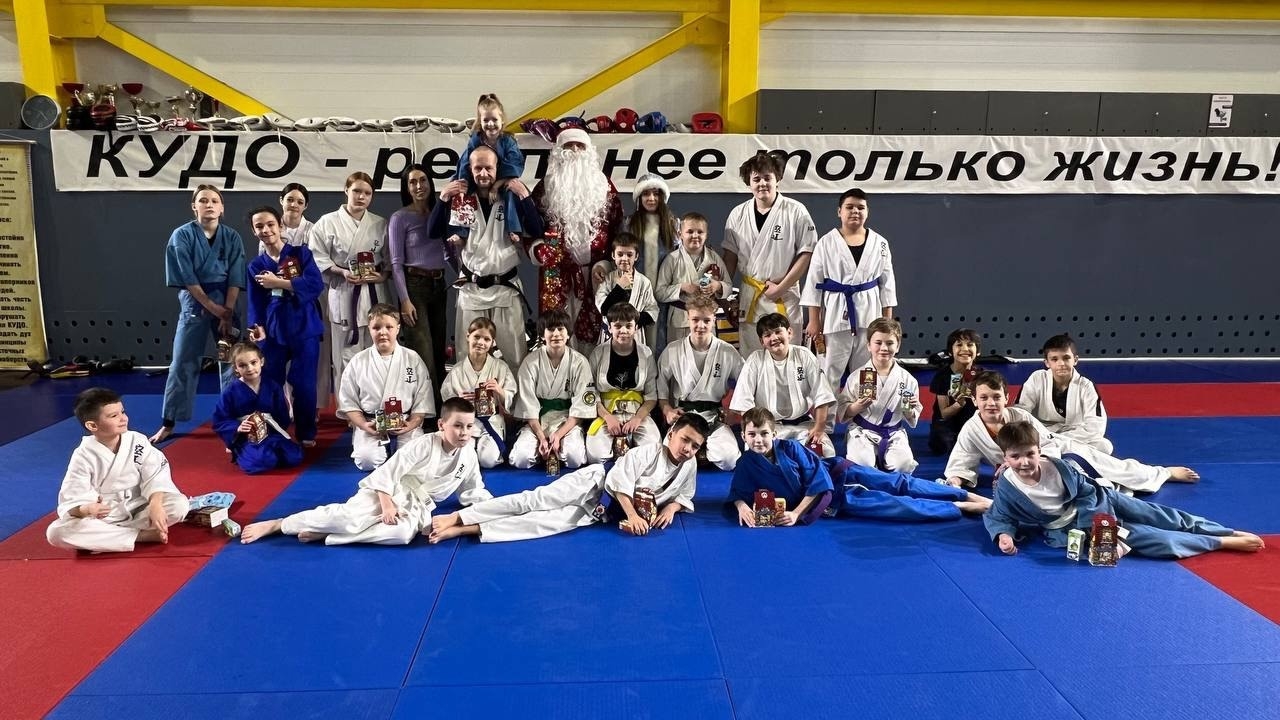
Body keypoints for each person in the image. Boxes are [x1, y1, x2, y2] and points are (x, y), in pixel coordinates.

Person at [987, 421, 1263, 558]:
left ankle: (1222, 531)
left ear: (1039, 451)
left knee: (1159, 515)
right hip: (1069, 528)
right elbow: (999, 515)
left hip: (1101, 502)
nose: (1024, 462)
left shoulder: (1059, 467)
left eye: (1030, 454)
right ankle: (1219, 543)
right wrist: (1004, 536)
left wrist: (1095, 522)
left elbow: (1087, 493)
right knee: (1155, 540)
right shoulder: (1007, 487)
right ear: (1005, 459)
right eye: (1015, 457)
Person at [240, 397, 492, 546]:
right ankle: (279, 524)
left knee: (402, 534)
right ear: (441, 424)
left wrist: (495, 509)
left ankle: (331, 536)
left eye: (469, 426)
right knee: (349, 517)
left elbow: (473, 491)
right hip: (390, 490)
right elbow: (388, 472)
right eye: (457, 426)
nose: (464, 432)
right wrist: (387, 505)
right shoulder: (424, 444)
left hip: (418, 505)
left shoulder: (468, 455)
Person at [428, 413, 709, 543]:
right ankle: (459, 516)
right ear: (671, 433)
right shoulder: (646, 452)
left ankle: (466, 530)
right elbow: (618, 484)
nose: (688, 449)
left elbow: (684, 494)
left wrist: (671, 508)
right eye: (685, 440)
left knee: (544, 524)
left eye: (695, 446)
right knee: (534, 501)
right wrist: (634, 516)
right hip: (595, 485)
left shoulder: (689, 465)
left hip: (602, 513)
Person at [730, 407, 989, 527]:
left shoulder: (791, 448)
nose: (758, 440)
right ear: (743, 436)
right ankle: (958, 507)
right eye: (752, 434)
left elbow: (818, 481)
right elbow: (738, 493)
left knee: (897, 482)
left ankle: (963, 494)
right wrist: (743, 508)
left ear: (774, 434)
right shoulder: (745, 464)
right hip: (835, 500)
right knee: (894, 506)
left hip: (837, 473)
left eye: (764, 434)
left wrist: (796, 514)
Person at [943, 371, 1199, 492]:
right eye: (984, 398)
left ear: (1006, 398)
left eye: (996, 397)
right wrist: (954, 481)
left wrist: (1022, 463)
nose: (991, 403)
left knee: (1111, 466)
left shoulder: (1020, 416)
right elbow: (961, 462)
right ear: (974, 400)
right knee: (1088, 486)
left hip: (1059, 455)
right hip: (1025, 473)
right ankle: (1113, 487)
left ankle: (1163, 472)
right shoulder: (971, 429)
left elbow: (1048, 446)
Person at [150, 184, 246, 444]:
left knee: (232, 361)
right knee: (183, 360)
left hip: (228, 300)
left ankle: (235, 416)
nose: (209, 204)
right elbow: (187, 277)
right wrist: (213, 308)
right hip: (195, 302)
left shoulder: (232, 237)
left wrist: (227, 312)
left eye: (214, 200)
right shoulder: (181, 235)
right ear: (194, 206)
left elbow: (236, 276)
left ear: (222, 207)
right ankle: (169, 422)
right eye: (203, 200)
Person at [429, 144, 542, 366]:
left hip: (505, 287)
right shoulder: (461, 198)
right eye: (477, 168)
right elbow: (432, 232)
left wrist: (525, 196)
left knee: (515, 357)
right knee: (468, 357)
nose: (483, 173)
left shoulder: (510, 197)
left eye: (488, 168)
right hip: (472, 288)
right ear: (469, 169)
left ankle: (514, 391)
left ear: (497, 168)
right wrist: (443, 197)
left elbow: (537, 230)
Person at [48, 388, 191, 553]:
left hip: (141, 507)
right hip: (106, 516)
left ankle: (110, 538)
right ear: (92, 425)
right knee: (56, 533)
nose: (123, 419)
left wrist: (156, 504)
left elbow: (157, 475)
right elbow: (71, 501)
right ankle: (141, 536)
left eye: (122, 412)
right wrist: (88, 509)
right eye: (113, 416)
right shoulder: (83, 456)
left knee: (179, 505)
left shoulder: (137, 441)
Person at [530, 128, 624, 351]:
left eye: (579, 146)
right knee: (557, 331)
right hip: (556, 273)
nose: (574, 150)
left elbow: (617, 230)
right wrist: (538, 248)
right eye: (568, 146)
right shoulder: (545, 187)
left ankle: (590, 372)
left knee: (595, 333)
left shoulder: (604, 187)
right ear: (558, 152)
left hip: (595, 274)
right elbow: (530, 229)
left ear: (588, 151)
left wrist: (607, 263)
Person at [721, 152, 817, 357]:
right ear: (749, 183)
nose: (762, 183)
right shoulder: (738, 214)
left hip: (783, 295)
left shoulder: (796, 211)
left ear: (777, 179)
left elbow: (807, 253)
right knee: (752, 358)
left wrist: (781, 287)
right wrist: (724, 298)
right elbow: (730, 257)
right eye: (756, 179)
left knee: (787, 358)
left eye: (767, 178)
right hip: (751, 296)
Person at [802, 188, 897, 389]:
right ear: (840, 211)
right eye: (849, 207)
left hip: (870, 314)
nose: (855, 211)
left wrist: (887, 322)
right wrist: (814, 320)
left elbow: (887, 285)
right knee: (829, 369)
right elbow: (813, 282)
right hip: (835, 314)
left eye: (860, 207)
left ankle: (865, 409)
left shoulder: (880, 243)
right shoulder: (826, 242)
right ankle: (826, 410)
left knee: (868, 369)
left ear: (867, 212)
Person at [309, 171, 392, 400]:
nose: (361, 197)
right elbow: (317, 257)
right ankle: (348, 409)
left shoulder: (380, 223)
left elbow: (390, 260)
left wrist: (381, 276)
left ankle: (375, 405)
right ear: (346, 190)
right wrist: (342, 271)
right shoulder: (327, 222)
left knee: (378, 354)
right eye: (356, 191)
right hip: (344, 292)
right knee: (346, 356)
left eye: (367, 193)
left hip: (374, 294)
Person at [246, 205, 323, 447]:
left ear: (280, 226)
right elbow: (255, 301)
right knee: (270, 381)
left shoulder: (301, 254)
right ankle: (276, 428)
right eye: (259, 226)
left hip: (304, 325)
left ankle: (306, 432)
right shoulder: (255, 265)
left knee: (304, 382)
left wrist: (279, 283)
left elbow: (315, 285)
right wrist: (256, 326)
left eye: (270, 224)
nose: (266, 230)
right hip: (273, 328)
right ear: (254, 232)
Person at [337, 304, 434, 471]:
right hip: (371, 422)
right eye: (376, 328)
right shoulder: (358, 361)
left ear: (398, 328)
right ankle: (376, 447)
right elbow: (349, 402)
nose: (383, 332)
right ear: (369, 329)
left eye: (389, 327)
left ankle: (397, 449)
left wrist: (412, 423)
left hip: (405, 421)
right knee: (367, 461)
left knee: (414, 461)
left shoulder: (412, 358)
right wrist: (363, 425)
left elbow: (423, 398)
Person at [730, 312, 837, 457]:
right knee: (759, 457)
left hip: (803, 424)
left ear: (789, 332)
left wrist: (819, 428)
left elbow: (822, 394)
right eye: (767, 335)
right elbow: (744, 401)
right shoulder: (755, 360)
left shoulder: (804, 355)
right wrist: (755, 432)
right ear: (762, 341)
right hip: (767, 427)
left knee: (826, 454)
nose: (774, 338)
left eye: (778, 332)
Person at [656, 294, 744, 470]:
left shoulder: (727, 351)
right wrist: (667, 410)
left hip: (715, 417)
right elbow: (661, 387)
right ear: (688, 318)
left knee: (730, 460)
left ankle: (701, 449)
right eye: (695, 320)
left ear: (714, 320)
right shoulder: (673, 350)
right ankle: (698, 450)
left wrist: (734, 411)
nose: (701, 326)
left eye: (706, 320)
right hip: (684, 416)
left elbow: (746, 383)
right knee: (668, 459)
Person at [508, 309, 597, 471]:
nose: (556, 334)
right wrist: (542, 438)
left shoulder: (579, 362)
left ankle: (556, 448)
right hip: (538, 420)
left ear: (568, 334)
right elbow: (528, 407)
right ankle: (544, 450)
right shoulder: (530, 363)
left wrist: (558, 435)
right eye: (550, 329)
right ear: (542, 335)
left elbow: (581, 408)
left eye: (561, 329)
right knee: (521, 459)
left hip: (567, 420)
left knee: (574, 459)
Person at [389, 163, 447, 402]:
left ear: (430, 183)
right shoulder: (400, 218)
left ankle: (442, 409)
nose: (418, 186)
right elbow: (395, 263)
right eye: (412, 182)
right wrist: (404, 300)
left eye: (422, 180)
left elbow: (450, 251)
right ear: (406, 188)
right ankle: (427, 413)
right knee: (423, 354)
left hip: (439, 286)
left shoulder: (440, 214)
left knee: (439, 352)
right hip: (414, 287)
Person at [839, 318, 922, 473]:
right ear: (868, 345)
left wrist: (909, 409)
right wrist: (857, 407)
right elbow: (843, 410)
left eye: (890, 343)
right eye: (878, 343)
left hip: (893, 433)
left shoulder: (908, 380)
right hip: (863, 431)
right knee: (863, 465)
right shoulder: (856, 377)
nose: (884, 348)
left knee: (903, 466)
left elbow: (912, 417)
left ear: (898, 346)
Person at [211, 343, 304, 473]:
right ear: (236, 368)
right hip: (246, 437)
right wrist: (237, 427)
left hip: (270, 432)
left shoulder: (272, 386)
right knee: (262, 460)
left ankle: (268, 452)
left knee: (294, 456)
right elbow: (220, 419)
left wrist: (271, 427)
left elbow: (282, 414)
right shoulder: (230, 391)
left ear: (262, 362)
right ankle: (240, 451)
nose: (249, 368)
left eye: (253, 362)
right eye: (242, 365)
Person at [586, 303, 660, 463]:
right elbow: (591, 394)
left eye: (629, 326)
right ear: (609, 327)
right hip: (607, 412)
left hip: (637, 413)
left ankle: (630, 445)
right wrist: (608, 418)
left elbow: (651, 396)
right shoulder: (598, 353)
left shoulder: (646, 353)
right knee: (596, 456)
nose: (623, 330)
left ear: (636, 328)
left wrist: (638, 418)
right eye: (618, 326)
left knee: (652, 451)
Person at [1013, 334, 1113, 453]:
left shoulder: (1086, 387)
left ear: (1075, 360)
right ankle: (1063, 455)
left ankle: (1051, 453)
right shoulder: (1037, 379)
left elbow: (1096, 427)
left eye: (1066, 358)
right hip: (1041, 434)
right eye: (1054, 359)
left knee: (1105, 446)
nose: (1061, 363)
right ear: (1047, 363)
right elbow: (1020, 412)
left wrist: (1056, 439)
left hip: (1074, 436)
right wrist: (1040, 435)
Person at [439, 317, 517, 468]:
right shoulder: (457, 371)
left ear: (492, 342)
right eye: (476, 337)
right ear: (468, 336)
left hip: (492, 421)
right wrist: (458, 401)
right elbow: (447, 401)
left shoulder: (500, 367)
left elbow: (510, 397)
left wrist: (499, 390)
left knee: (488, 460)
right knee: (464, 458)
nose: (481, 342)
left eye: (486, 339)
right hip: (465, 423)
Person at [452, 93, 525, 240]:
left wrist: (496, 186)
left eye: (494, 119)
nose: (490, 124)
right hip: (478, 179)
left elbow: (514, 164)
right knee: (458, 191)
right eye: (486, 120)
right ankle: (461, 231)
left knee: (511, 193)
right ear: (480, 121)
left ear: (502, 120)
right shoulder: (475, 140)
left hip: (502, 180)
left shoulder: (508, 141)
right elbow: (465, 163)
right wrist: (463, 185)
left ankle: (513, 229)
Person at [655, 211, 731, 347]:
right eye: (690, 231)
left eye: (700, 232)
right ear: (680, 234)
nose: (695, 235)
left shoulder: (714, 258)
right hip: (680, 320)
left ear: (706, 235)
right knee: (678, 355)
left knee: (707, 353)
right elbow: (659, 292)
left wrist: (717, 286)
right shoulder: (672, 259)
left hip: (706, 318)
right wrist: (682, 287)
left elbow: (729, 286)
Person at [595, 232, 659, 346]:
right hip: (610, 334)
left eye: (629, 255)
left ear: (636, 256)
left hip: (634, 334)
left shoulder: (644, 282)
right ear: (613, 255)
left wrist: (634, 321)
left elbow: (653, 310)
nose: (624, 259)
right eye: (620, 254)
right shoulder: (608, 279)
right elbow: (604, 310)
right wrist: (619, 287)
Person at [928, 328, 982, 456]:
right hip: (947, 423)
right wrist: (959, 403)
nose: (965, 349)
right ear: (950, 352)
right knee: (942, 444)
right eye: (959, 345)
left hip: (972, 421)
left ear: (978, 351)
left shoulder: (982, 376)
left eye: (970, 345)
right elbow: (945, 414)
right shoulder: (942, 376)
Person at [279, 182, 314, 248]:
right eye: (289, 200)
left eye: (300, 202)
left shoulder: (313, 230)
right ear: (281, 200)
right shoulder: (271, 228)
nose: (294, 205)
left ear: (305, 206)